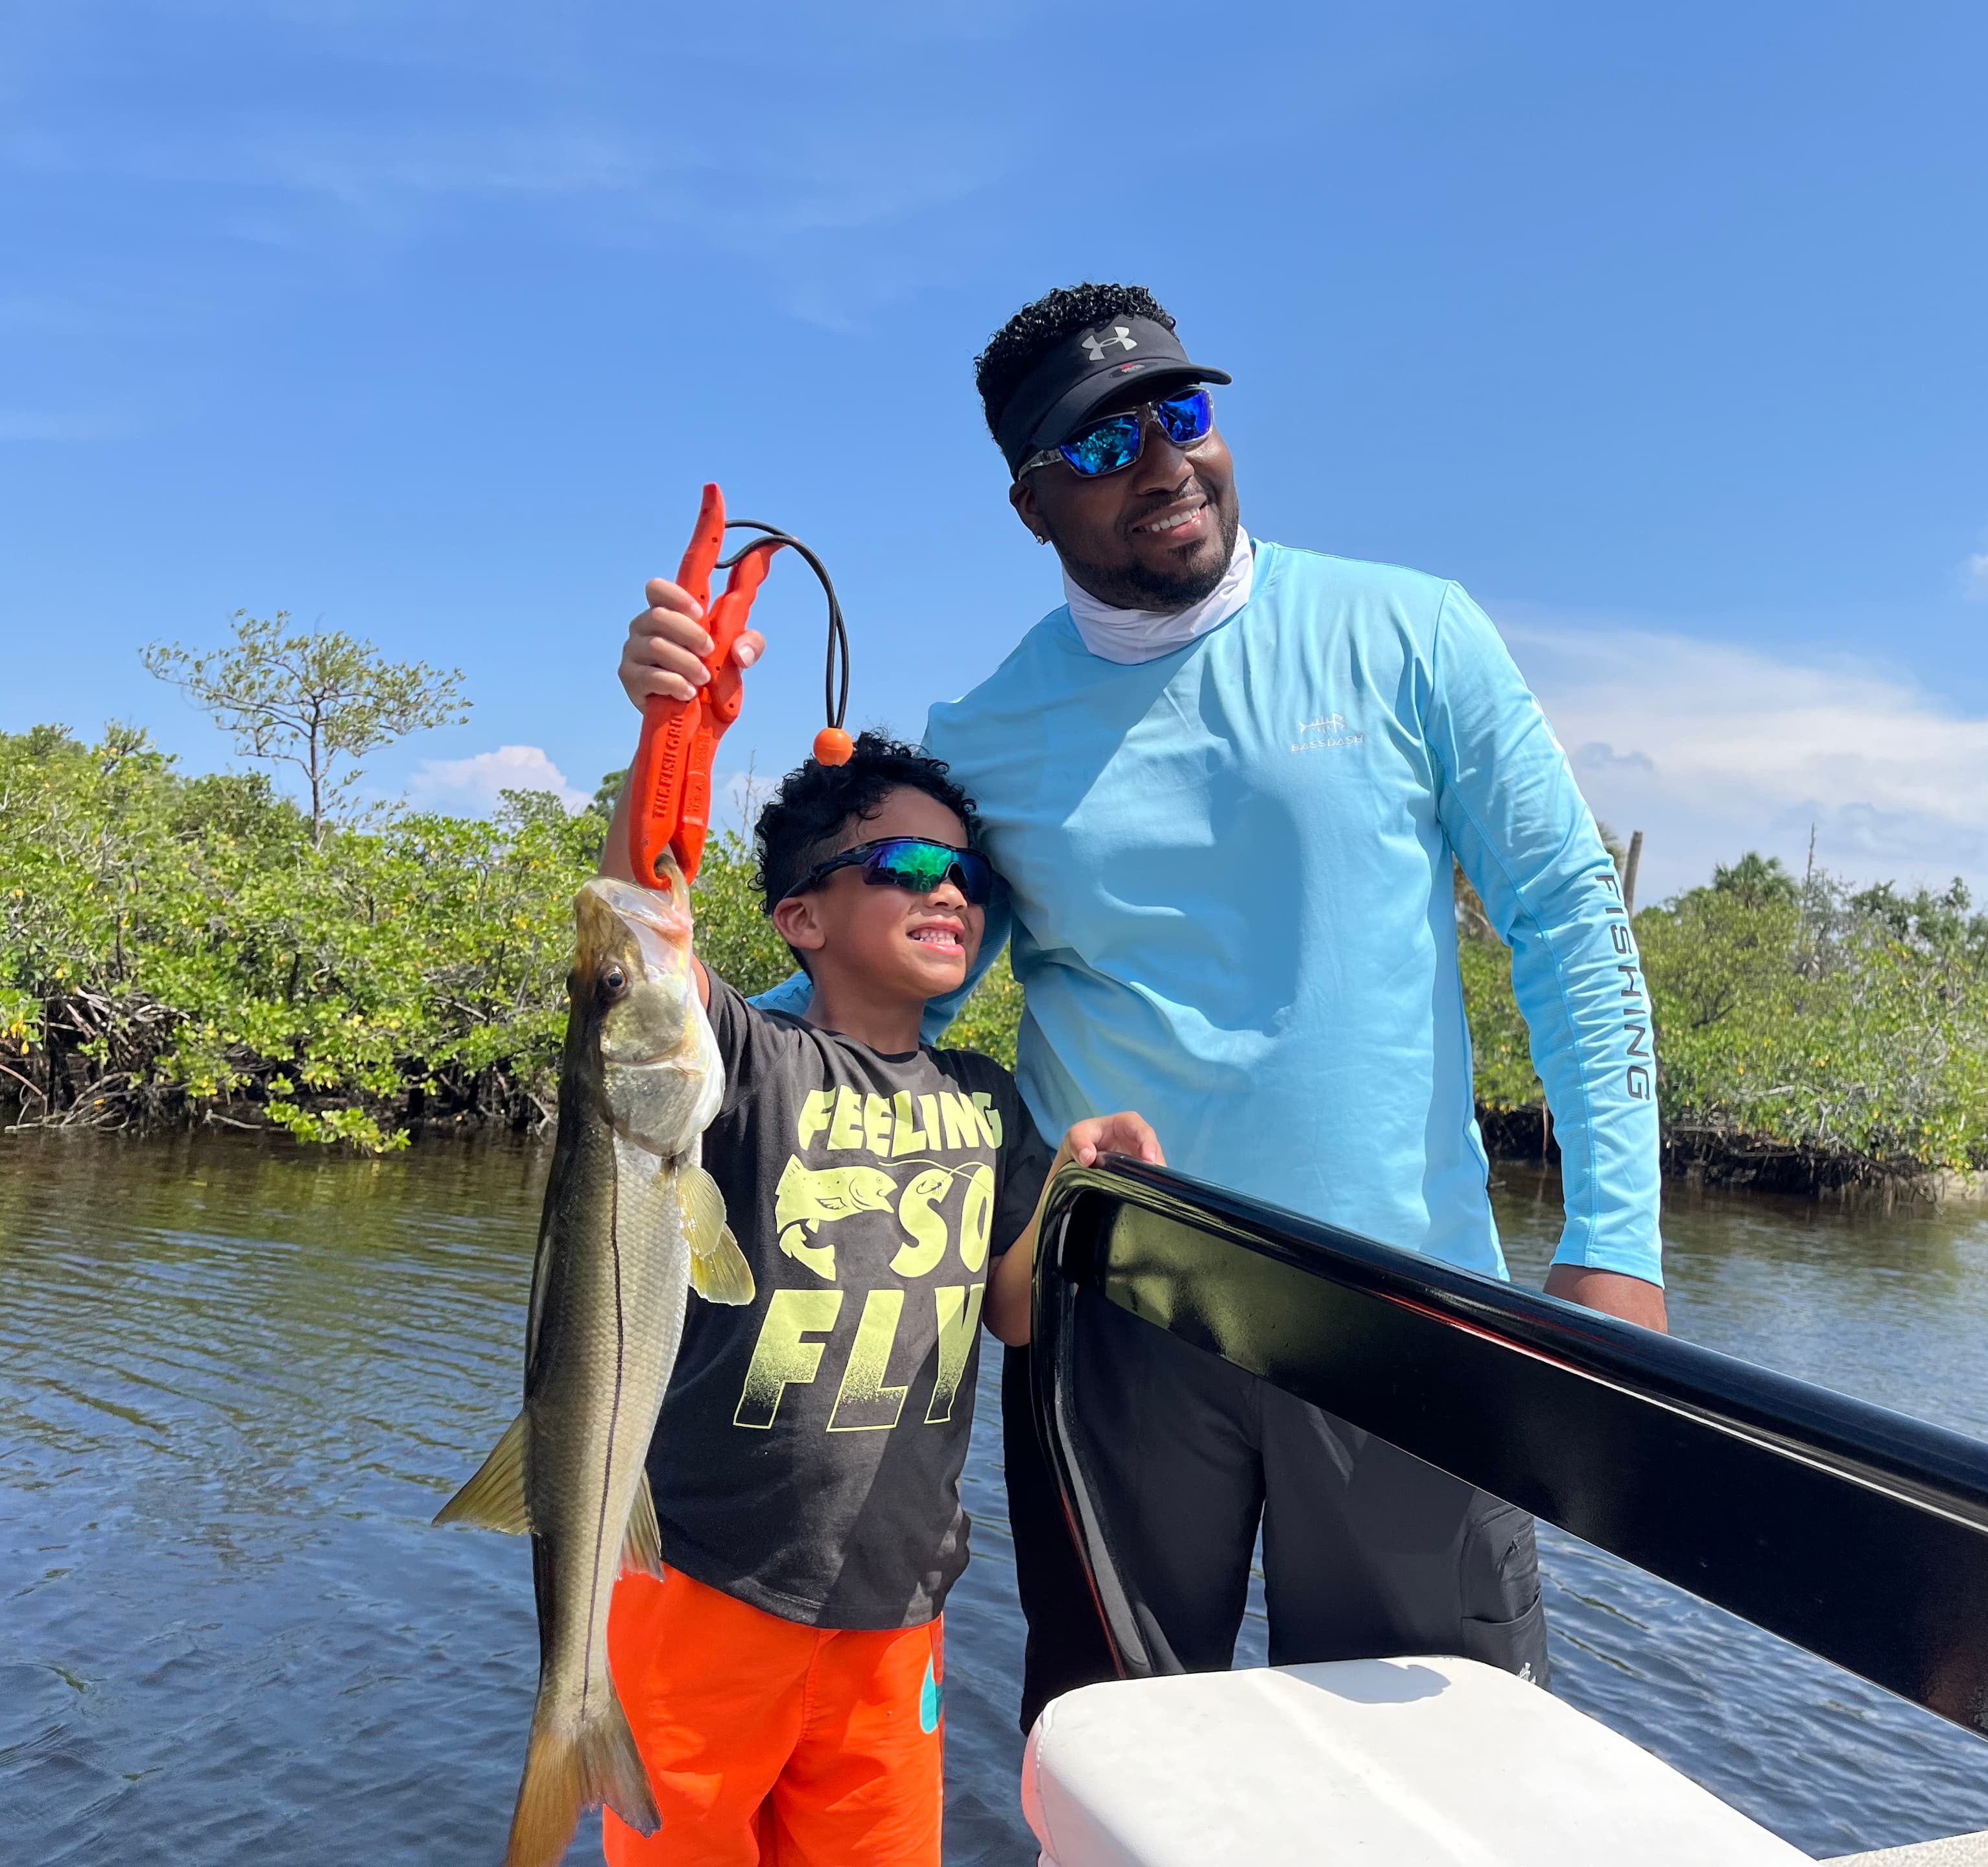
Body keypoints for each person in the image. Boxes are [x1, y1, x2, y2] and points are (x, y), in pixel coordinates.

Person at [645, 280, 1666, 1730]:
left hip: (1402, 1303)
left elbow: (1568, 915)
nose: (1164, 463)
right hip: (1109, 1315)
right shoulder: (983, 742)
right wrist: (669, 1003)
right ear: (1030, 504)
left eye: (1181, 415)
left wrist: (1615, 1242)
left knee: (1435, 1770)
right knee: (1118, 1758)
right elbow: (872, 992)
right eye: (1101, 445)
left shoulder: (1412, 629)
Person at [579, 711, 1159, 1865]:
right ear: (802, 918)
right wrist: (672, 724)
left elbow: (1016, 1313)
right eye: (909, 863)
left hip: (898, 1611)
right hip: (701, 1589)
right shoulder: (745, 1060)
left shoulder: (988, 1097)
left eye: (970, 876)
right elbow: (630, 946)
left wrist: (1076, 1176)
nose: (951, 892)